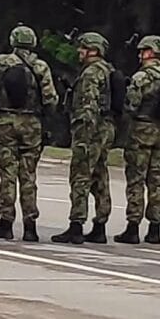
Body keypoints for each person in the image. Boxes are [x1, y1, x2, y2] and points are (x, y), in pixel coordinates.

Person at [0, 25, 59, 242]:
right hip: (32, 123)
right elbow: (51, 99)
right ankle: (30, 225)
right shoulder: (41, 66)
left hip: (6, 121)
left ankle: (5, 223)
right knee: (29, 175)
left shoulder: (3, 63)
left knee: (7, 174)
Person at [52, 32, 117, 245]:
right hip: (106, 129)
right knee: (100, 177)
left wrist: (83, 134)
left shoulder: (91, 73)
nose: (79, 52)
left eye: (82, 48)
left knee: (80, 176)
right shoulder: (108, 70)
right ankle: (100, 226)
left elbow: (88, 104)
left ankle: (76, 225)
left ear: (93, 50)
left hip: (90, 130)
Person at [114, 35, 160, 245]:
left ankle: (133, 227)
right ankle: (155, 228)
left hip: (141, 130)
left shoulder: (141, 77)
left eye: (143, 51)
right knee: (156, 181)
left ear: (150, 52)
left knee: (136, 179)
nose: (140, 55)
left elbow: (130, 106)